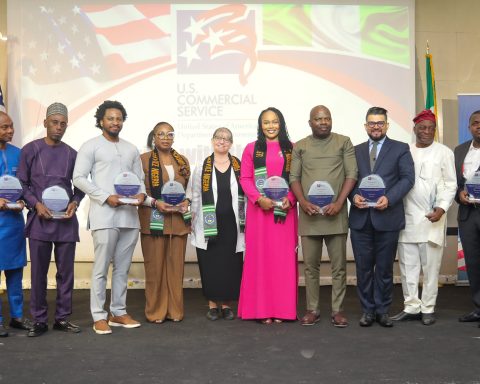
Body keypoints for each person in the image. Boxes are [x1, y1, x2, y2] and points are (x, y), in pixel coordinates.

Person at [73, 100, 146, 335]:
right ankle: (98, 315)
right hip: (104, 215)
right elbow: (79, 178)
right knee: (101, 267)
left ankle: (118, 312)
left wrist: (142, 194)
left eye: (119, 118)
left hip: (129, 216)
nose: (115, 122)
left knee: (123, 268)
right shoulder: (90, 146)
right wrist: (106, 197)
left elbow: (139, 179)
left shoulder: (131, 148)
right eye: (110, 118)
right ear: (101, 121)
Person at [18, 102, 85, 337]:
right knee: (38, 273)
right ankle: (38, 320)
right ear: (45, 123)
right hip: (40, 220)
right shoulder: (30, 149)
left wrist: (75, 202)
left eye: (63, 124)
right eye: (54, 122)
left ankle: (62, 318)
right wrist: (36, 204)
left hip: (66, 221)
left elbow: (80, 187)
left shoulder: (73, 154)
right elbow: (22, 184)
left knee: (66, 273)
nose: (58, 127)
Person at [290, 105, 357, 327]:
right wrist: (302, 202)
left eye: (327, 118)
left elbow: (352, 174)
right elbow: (294, 178)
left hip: (335, 214)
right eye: (318, 119)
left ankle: (338, 310)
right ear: (310, 122)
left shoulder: (343, 142)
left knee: (339, 267)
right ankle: (313, 309)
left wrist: (339, 203)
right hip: (310, 216)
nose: (323, 122)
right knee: (311, 266)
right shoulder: (300, 146)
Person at [349, 106, 414, 327]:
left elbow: (407, 179)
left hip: (388, 217)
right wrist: (352, 195)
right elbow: (347, 179)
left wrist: (390, 198)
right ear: (365, 125)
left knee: (385, 269)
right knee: (363, 269)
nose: (375, 126)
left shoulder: (400, 148)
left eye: (380, 123)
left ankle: (382, 310)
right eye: (371, 123)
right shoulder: (355, 150)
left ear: (387, 125)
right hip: (361, 219)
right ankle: (367, 311)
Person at [393, 109, 456, 326]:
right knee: (408, 267)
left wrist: (442, 207)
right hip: (407, 218)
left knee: (430, 268)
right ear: (415, 129)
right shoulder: (405, 151)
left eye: (431, 128)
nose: (426, 132)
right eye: (422, 128)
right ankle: (411, 306)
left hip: (432, 218)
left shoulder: (444, 152)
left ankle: (428, 308)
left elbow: (450, 184)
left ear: (434, 130)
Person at [238, 107, 298, 324]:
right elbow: (245, 178)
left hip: (285, 212)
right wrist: (257, 198)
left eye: (274, 121)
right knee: (261, 259)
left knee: (282, 260)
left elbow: (298, 179)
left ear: (281, 124)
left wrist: (291, 199)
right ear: (260, 125)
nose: (270, 126)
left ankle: (282, 309)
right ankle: (261, 309)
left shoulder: (292, 149)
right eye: (266, 122)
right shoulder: (251, 149)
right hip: (259, 214)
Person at [138, 122, 190, 323]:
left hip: (178, 222)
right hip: (153, 221)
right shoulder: (142, 160)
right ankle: (156, 312)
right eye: (161, 134)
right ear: (154, 137)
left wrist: (187, 200)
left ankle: (175, 311)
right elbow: (139, 191)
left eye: (170, 134)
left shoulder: (182, 161)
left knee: (176, 269)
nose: (166, 137)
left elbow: (190, 190)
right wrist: (154, 202)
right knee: (155, 268)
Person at [190, 127, 245, 321]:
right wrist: (192, 220)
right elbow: (195, 196)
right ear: (212, 140)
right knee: (210, 264)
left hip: (233, 224)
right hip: (208, 224)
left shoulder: (240, 165)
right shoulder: (202, 167)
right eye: (219, 138)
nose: (222, 141)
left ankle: (227, 305)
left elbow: (245, 195)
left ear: (231, 143)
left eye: (227, 139)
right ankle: (213, 305)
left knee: (231, 265)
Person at [0, 111, 29, 337]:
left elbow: (26, 185)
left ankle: (17, 316)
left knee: (15, 272)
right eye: (4, 128)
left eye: (11, 126)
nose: (10, 131)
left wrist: (24, 199)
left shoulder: (19, 154)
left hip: (14, 223)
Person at [454, 109, 480, 327]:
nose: (479, 126)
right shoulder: (460, 150)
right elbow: (455, 182)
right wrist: (459, 193)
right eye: (475, 123)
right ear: (469, 127)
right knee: (473, 263)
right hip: (468, 214)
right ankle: (478, 307)